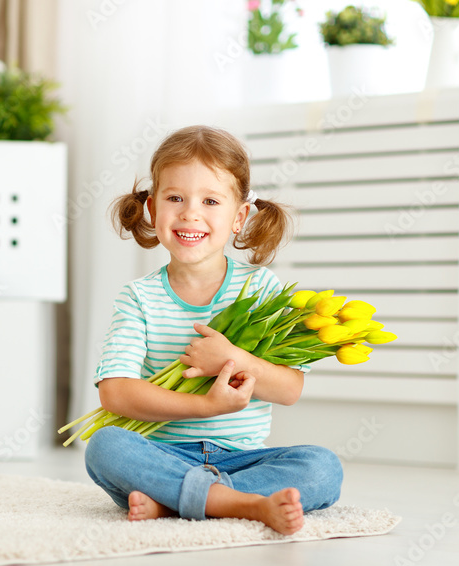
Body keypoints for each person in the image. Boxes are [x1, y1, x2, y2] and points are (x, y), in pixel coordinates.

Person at [85, 125, 343, 535]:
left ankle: (178, 501)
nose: (190, 213)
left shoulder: (261, 288)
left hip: (241, 459)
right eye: (175, 198)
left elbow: (289, 390)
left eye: (210, 200)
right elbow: (115, 392)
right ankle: (240, 503)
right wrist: (207, 407)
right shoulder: (138, 298)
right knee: (106, 447)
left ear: (239, 216)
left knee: (322, 467)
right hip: (163, 455)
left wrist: (233, 360)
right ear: (152, 209)